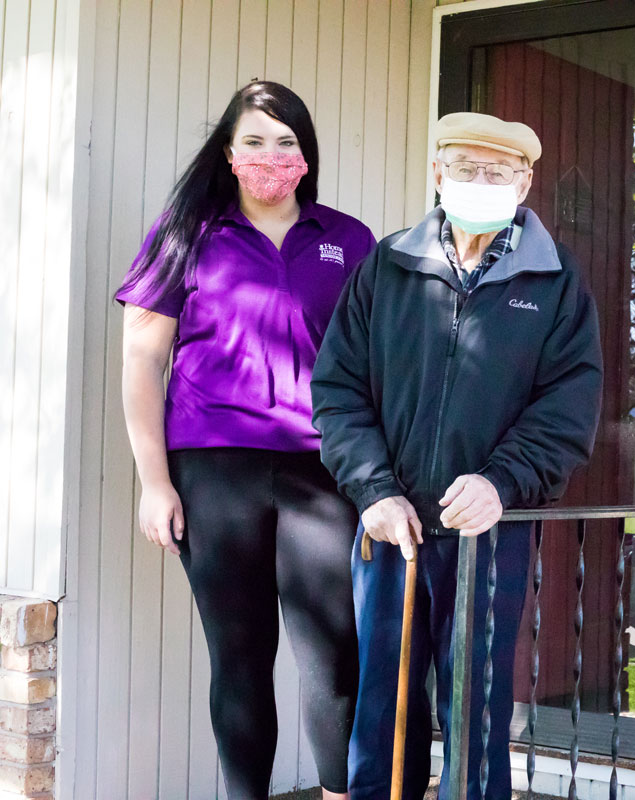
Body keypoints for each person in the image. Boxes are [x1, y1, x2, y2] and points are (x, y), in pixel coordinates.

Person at [311, 111, 603, 800]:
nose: (481, 181)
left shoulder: (556, 282)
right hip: (390, 527)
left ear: (525, 181)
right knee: (383, 703)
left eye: (498, 172)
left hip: (491, 531)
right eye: (466, 168)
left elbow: (568, 405)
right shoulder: (386, 266)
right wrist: (373, 491)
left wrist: (502, 482)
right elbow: (337, 390)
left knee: (476, 710)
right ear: (438, 173)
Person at [117, 81, 374, 800]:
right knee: (240, 658)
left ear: (305, 153)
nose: (271, 155)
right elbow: (142, 358)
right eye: (255, 141)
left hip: (322, 473)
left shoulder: (347, 240)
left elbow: (375, 362)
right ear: (229, 154)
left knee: (334, 658)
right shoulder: (187, 232)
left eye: (286, 141)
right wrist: (154, 480)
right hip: (212, 474)